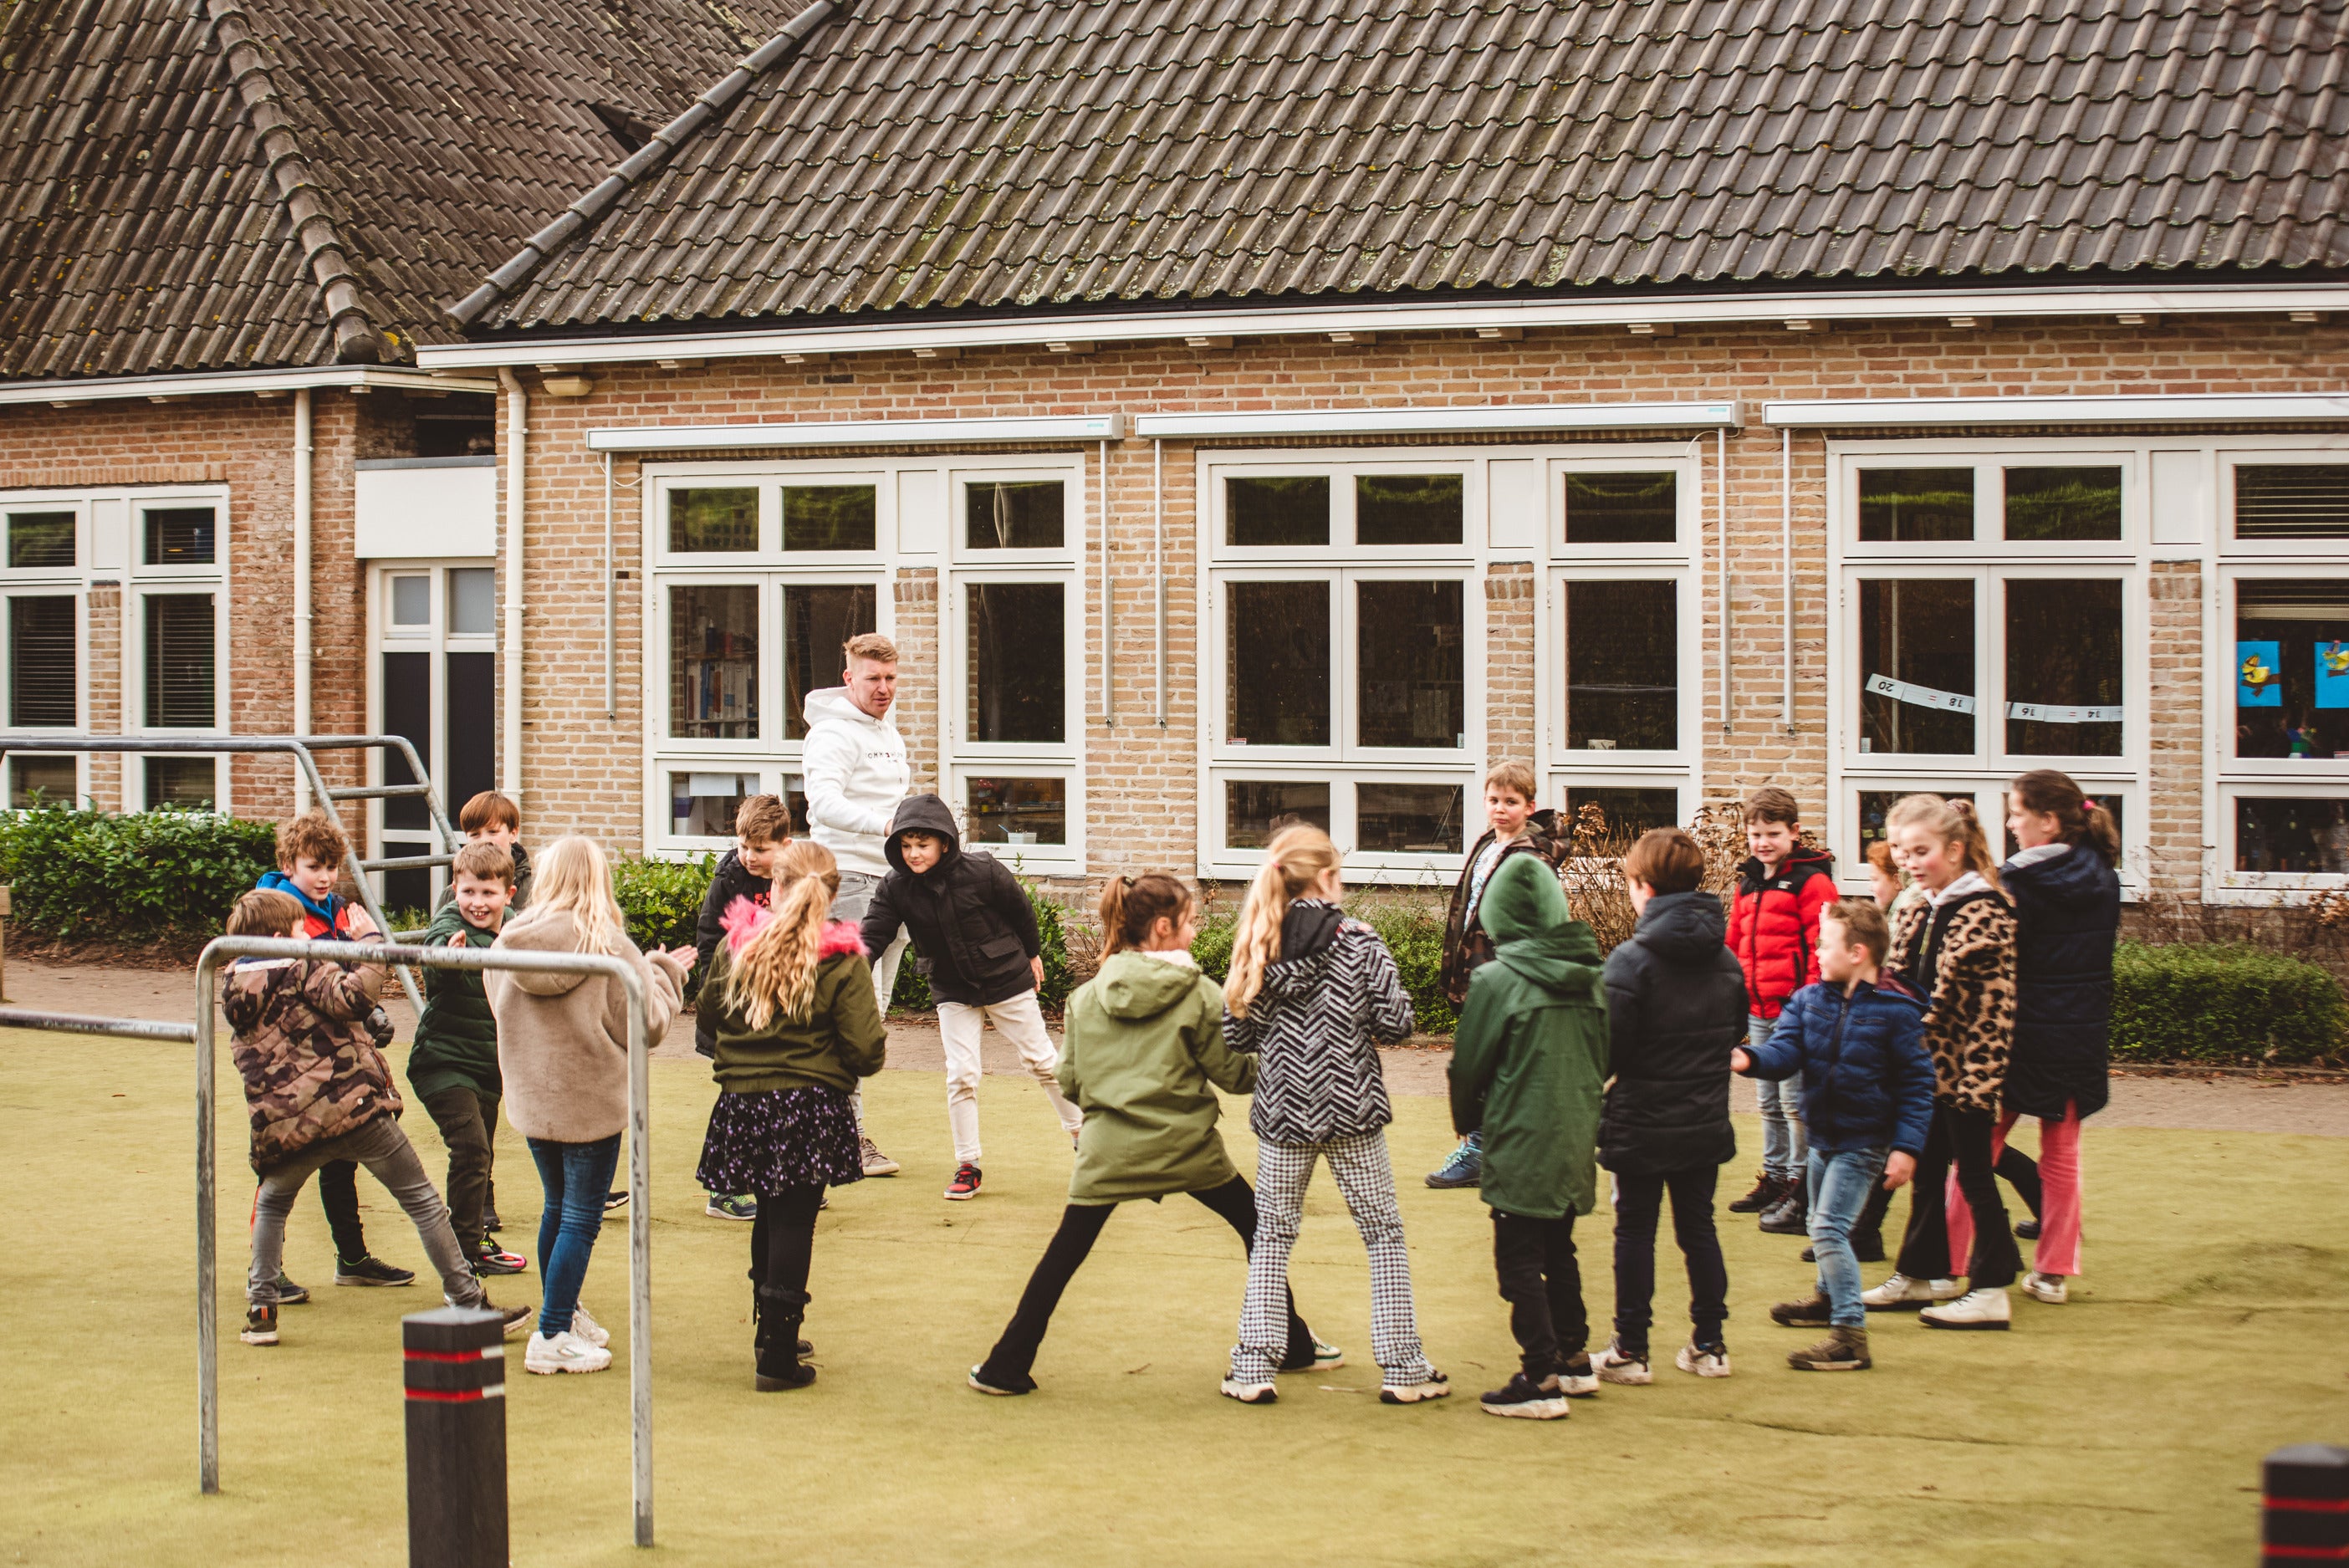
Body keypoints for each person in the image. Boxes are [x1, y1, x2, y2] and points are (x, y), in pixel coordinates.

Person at [968, 873, 1339, 1396]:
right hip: (1187, 1148)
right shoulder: (1200, 993)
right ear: (1163, 928)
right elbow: (1234, 1076)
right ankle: (1294, 1345)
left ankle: (1005, 1365)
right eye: (1190, 922)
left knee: (1064, 1254)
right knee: (1258, 1229)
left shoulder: (1085, 998)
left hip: (1106, 1152)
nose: (1195, 930)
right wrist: (1282, 1052)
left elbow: (1070, 1081)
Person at [225, 889, 529, 1348]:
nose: (304, 935)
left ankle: (261, 1308)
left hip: (287, 1123)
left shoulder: (233, 984)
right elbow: (354, 997)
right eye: (296, 930)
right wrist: (369, 941)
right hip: (351, 1106)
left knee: (272, 1203)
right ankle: (467, 1301)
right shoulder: (301, 965)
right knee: (423, 1200)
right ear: (276, 937)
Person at [1220, 825, 1448, 1407]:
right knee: (1383, 1234)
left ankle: (1252, 1366)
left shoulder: (1258, 938)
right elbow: (1397, 1022)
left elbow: (1235, 1031)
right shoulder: (1359, 940)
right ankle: (1403, 1365)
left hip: (1283, 1112)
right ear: (1324, 878)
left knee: (1271, 1235)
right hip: (1351, 1109)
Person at [488, 836, 692, 1375]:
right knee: (579, 1216)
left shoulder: (507, 942)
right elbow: (647, 1027)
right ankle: (552, 1332)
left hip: (534, 1100)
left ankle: (563, 1311)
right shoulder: (611, 948)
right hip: (592, 1102)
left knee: (557, 1206)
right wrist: (666, 976)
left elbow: (499, 1010)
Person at [693, 841, 886, 1391]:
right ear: (830, 896)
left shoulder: (737, 947)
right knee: (794, 1220)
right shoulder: (841, 960)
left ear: (773, 887)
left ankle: (769, 1333)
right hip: (809, 1103)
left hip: (745, 1100)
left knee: (767, 1213)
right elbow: (866, 1050)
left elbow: (708, 1010)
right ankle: (777, 1353)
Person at [1938, 772, 2121, 1305]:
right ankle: (2054, 1272)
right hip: (2079, 1037)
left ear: (2049, 820)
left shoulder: (2018, 884)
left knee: (1974, 1149)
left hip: (2016, 1035)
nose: (2012, 824)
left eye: (2017, 814)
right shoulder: (2103, 875)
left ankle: (1948, 1262)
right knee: (2061, 1151)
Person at [1734, 900, 1934, 1371]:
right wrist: (1750, 1059)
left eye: (1825, 943)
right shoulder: (1809, 1001)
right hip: (1823, 1136)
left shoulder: (1896, 1013)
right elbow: (1784, 1052)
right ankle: (1827, 1300)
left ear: (1858, 952)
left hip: (1865, 1142)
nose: (1818, 951)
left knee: (1828, 1228)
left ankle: (1849, 1335)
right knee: (1817, 1225)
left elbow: (1917, 1084)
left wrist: (1906, 1148)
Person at [1448, 854, 1610, 1419]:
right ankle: (1572, 1357)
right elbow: (1605, 1052)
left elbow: (1468, 1064)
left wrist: (1467, 1118)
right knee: (1558, 1248)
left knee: (1516, 1259)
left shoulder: (1494, 979)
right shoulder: (1592, 977)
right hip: (1572, 1135)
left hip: (1519, 1134)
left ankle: (1538, 1373)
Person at [860, 794, 1080, 1199]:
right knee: (962, 1073)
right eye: (906, 846)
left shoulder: (983, 871)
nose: (913, 854)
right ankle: (968, 1164)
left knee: (1043, 1062)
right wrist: (846, 968)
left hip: (1006, 978)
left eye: (922, 845)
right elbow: (872, 935)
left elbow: (1022, 913)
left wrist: (1032, 955)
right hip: (951, 987)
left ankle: (1083, 1136)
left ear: (945, 842)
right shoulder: (895, 887)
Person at [1590, 828, 1748, 1387]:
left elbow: (1608, 1049)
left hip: (1639, 1119)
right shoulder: (1727, 961)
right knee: (1697, 1227)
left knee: (1634, 1231)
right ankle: (1710, 1343)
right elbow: (1735, 1032)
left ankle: (1630, 1348)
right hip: (1701, 1119)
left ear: (1642, 885)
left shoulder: (1629, 962)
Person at [1861, 795, 2022, 1330]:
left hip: (1967, 1067)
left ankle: (1993, 1286)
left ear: (1955, 850)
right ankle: (1923, 1273)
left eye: (1921, 851)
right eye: (1903, 851)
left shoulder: (1986, 910)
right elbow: (1898, 977)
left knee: (1973, 1173)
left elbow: (1963, 1004)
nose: (1909, 861)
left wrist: (1889, 1036)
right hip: (1923, 1067)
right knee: (1927, 1168)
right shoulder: (1914, 904)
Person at [255, 808, 411, 1293]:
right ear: (289, 865)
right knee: (282, 1173)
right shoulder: (277, 913)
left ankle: (352, 1258)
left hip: (336, 1056)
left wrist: (366, 1015)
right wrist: (357, 1003)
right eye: (313, 866)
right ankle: (265, 1275)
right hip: (292, 1063)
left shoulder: (336, 907)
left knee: (341, 1156)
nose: (324, 877)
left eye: (330, 866)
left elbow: (341, 979)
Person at [802, 631, 913, 1177]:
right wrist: (886, 825)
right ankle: (843, 1138)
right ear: (849, 677)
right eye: (873, 678)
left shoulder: (887, 730)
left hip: (891, 883)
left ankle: (836, 1130)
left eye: (891, 678)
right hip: (848, 879)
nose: (884, 688)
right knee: (850, 1014)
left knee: (874, 1013)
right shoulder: (830, 734)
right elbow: (822, 802)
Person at [1429, 761, 1568, 1191]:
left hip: (1507, 974)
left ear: (1529, 806)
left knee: (1495, 1062)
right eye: (1493, 800)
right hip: (1476, 969)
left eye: (1511, 802)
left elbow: (1535, 923)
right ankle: (1494, 1146)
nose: (1500, 809)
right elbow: (1466, 910)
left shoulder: (1533, 857)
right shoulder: (1488, 843)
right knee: (1487, 1059)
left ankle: (1483, 1149)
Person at [406, 840, 525, 1277]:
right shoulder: (449, 924)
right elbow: (434, 960)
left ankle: (473, 1241)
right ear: (455, 888)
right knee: (471, 1150)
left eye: (488, 893)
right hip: (442, 1062)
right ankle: (462, 1255)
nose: (477, 903)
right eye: (468, 891)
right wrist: (447, 959)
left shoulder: (514, 928)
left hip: (488, 1069)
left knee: (483, 1155)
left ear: (508, 895)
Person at [1724, 787, 1836, 1237]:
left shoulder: (1812, 882)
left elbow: (1821, 945)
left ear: (1793, 832)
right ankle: (1773, 1178)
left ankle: (1799, 1181)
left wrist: (1810, 1001)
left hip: (1795, 1009)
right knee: (1767, 1100)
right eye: (1755, 834)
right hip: (1757, 1006)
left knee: (1795, 1102)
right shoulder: (1747, 883)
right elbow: (1733, 945)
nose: (1763, 842)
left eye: (1772, 833)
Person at [691, 793, 791, 1222]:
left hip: (777, 1010)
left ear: (785, 846)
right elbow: (710, 945)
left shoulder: (798, 879)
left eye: (760, 849)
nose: (749, 856)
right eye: (743, 846)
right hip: (734, 1009)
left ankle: (780, 1184)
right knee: (739, 1098)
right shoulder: (728, 880)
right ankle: (724, 1189)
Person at [436, 789, 534, 912]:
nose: (484, 840)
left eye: (493, 832)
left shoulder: (535, 891)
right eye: (475, 834)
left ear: (513, 833)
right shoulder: (452, 894)